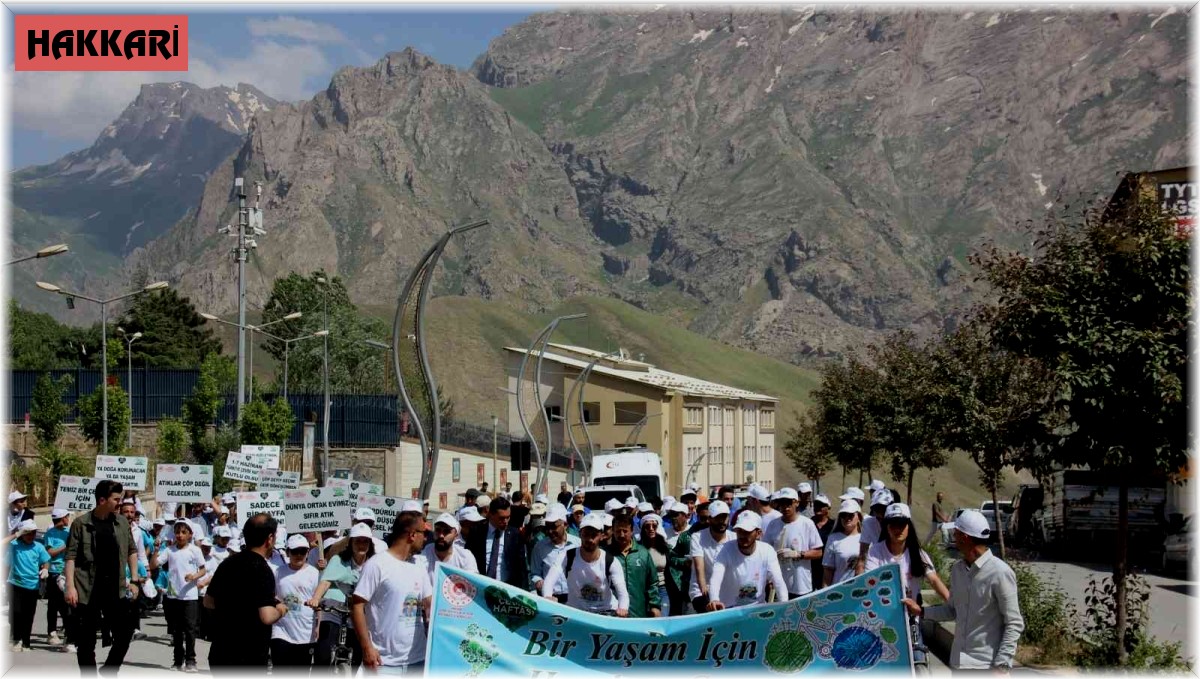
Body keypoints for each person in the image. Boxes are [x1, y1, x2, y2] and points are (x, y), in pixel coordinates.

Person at [904, 509, 1024, 671]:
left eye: (956, 533)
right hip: (959, 663)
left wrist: (1002, 664)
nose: (954, 537)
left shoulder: (1000, 573)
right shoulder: (958, 570)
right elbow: (952, 610)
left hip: (987, 666)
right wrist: (921, 611)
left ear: (965, 537)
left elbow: (1014, 623)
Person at [66, 479, 141, 674]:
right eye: (116, 499)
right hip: (87, 590)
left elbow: (132, 550)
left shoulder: (122, 522)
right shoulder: (81, 524)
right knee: (85, 641)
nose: (120, 503)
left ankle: (109, 670)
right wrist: (70, 587)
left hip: (115, 589)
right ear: (102, 500)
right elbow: (71, 557)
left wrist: (134, 579)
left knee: (125, 633)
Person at [205, 513, 290, 670]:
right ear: (270, 538)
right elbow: (266, 616)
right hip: (248, 656)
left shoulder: (227, 563)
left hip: (221, 652)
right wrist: (281, 609)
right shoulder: (263, 570)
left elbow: (208, 601)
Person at [351, 514, 433, 674]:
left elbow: (430, 605)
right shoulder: (376, 565)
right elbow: (357, 606)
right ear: (412, 535)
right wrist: (366, 646)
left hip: (417, 661)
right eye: (424, 533)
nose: (426, 539)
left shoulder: (419, 567)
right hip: (383, 663)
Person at [308, 523, 373, 670]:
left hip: (358, 610)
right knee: (323, 651)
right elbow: (325, 582)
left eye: (365, 541)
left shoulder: (374, 563)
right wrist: (316, 598)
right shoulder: (338, 559)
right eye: (358, 541)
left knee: (358, 654)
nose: (361, 545)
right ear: (350, 542)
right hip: (335, 605)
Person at [540, 514, 629, 616]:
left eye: (594, 535)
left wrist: (623, 608)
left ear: (601, 536)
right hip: (577, 613)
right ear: (580, 534)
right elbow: (550, 579)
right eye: (586, 534)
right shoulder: (567, 556)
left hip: (605, 612)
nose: (590, 539)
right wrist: (547, 596)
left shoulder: (611, 561)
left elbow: (622, 591)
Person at [706, 511, 787, 609]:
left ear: (758, 534)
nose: (742, 535)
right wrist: (714, 599)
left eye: (747, 532)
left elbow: (778, 581)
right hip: (729, 610)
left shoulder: (767, 550)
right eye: (739, 531)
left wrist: (785, 605)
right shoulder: (723, 550)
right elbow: (716, 578)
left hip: (757, 609)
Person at [762, 488, 824, 599]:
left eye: (789, 503)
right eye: (782, 503)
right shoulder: (773, 524)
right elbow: (765, 552)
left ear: (796, 503)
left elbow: (818, 552)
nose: (785, 507)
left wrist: (798, 554)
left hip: (801, 585)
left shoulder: (806, 524)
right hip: (779, 584)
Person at [165, 519, 206, 672]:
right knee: (176, 630)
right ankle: (177, 660)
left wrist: (194, 577)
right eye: (177, 532)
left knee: (190, 629)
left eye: (183, 532)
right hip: (173, 596)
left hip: (189, 596)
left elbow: (203, 569)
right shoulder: (170, 550)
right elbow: (155, 563)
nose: (180, 535)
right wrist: (157, 549)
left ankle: (191, 660)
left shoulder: (195, 550)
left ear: (190, 534)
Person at [272, 534, 319, 668]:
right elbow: (272, 596)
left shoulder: (314, 574)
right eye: (295, 551)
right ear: (287, 552)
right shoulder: (278, 572)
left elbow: (319, 603)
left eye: (303, 551)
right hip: (281, 630)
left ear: (308, 552)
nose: (299, 555)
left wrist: (318, 626)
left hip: (305, 633)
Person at [6, 519, 49, 651]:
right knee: (16, 612)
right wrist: (16, 534)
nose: (31, 536)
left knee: (28, 615)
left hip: (32, 586)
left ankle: (26, 642)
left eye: (33, 533)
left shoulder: (38, 547)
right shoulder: (14, 545)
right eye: (28, 533)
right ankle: (15, 638)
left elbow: (46, 560)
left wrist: (45, 569)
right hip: (15, 584)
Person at [466, 496, 528, 588]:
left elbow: (522, 567)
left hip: (507, 587)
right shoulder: (477, 532)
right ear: (491, 514)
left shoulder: (515, 534)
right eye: (502, 518)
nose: (505, 521)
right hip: (481, 585)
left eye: (508, 517)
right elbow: (468, 559)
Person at [608, 515, 660, 617]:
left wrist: (655, 606)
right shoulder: (605, 554)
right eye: (618, 531)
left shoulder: (643, 553)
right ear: (613, 532)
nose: (622, 535)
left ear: (631, 531)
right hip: (613, 614)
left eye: (625, 531)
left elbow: (652, 582)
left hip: (638, 612)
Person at [688, 500, 733, 614]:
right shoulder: (697, 537)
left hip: (728, 590)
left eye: (724, 517)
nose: (722, 521)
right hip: (702, 590)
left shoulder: (735, 538)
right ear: (710, 519)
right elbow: (699, 567)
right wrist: (704, 589)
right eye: (718, 518)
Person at [529, 505, 578, 603]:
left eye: (554, 527)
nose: (550, 531)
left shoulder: (577, 544)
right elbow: (534, 573)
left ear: (565, 525)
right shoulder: (539, 547)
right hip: (550, 599)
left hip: (574, 599)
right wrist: (538, 581)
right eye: (547, 527)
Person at [43, 508, 73, 650]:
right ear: (62, 518)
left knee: (67, 604)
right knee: (54, 604)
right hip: (54, 572)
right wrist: (65, 546)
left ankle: (69, 632)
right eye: (67, 516)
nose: (69, 519)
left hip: (66, 572)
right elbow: (49, 553)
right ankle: (52, 632)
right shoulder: (50, 534)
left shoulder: (69, 532)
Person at [421, 513, 478, 578]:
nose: (441, 536)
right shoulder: (425, 554)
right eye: (438, 530)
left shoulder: (465, 557)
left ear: (456, 535)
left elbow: (472, 583)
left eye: (446, 531)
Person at [823, 500, 863, 586]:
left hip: (860, 589)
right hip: (839, 591)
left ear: (858, 516)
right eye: (843, 515)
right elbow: (828, 571)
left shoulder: (865, 539)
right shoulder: (833, 539)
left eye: (851, 515)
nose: (847, 518)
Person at [663, 502, 693, 616]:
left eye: (676, 514)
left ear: (685, 516)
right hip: (669, 582)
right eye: (671, 515)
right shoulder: (664, 533)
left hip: (688, 582)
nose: (673, 518)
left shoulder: (693, 533)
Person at [638, 514, 671, 616]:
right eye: (647, 526)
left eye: (654, 526)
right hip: (643, 590)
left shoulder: (665, 548)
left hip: (662, 589)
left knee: (663, 620)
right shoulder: (638, 548)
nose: (651, 529)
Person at [856, 489, 894, 576]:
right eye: (876, 509)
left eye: (884, 508)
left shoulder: (898, 525)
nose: (880, 513)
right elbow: (862, 555)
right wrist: (858, 579)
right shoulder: (868, 523)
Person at [809, 494, 834, 590]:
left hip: (827, 567)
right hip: (810, 567)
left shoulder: (833, 526)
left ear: (828, 508)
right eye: (816, 505)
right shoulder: (808, 523)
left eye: (821, 505)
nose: (818, 508)